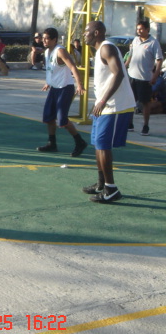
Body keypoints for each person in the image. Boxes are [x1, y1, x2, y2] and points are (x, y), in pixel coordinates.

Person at [82, 21, 135, 203]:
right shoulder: (100, 51)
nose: (83, 35)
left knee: (103, 145)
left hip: (115, 106)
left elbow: (119, 74)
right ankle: (101, 184)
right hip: (105, 105)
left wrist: (103, 100)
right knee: (98, 144)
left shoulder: (106, 48)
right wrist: (99, 100)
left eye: (86, 31)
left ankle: (111, 189)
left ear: (96, 33)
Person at [35, 28, 88, 157]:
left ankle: (80, 142)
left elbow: (73, 67)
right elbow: (52, 70)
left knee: (62, 120)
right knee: (48, 117)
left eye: (47, 38)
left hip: (65, 88)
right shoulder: (47, 52)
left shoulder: (60, 51)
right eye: (44, 38)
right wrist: (48, 82)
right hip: (54, 88)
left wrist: (79, 84)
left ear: (54, 39)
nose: (44, 40)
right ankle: (52, 143)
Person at [125, 20, 163, 136]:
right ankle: (129, 124)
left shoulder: (153, 43)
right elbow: (130, 56)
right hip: (132, 76)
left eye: (141, 29)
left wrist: (155, 76)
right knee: (130, 101)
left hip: (145, 78)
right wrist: (124, 67)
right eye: (137, 29)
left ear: (147, 30)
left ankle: (145, 125)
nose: (139, 31)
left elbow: (159, 60)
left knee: (145, 103)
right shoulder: (135, 40)